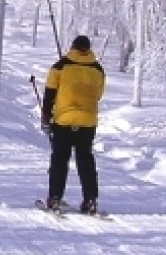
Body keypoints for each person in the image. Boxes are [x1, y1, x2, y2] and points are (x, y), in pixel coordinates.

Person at [41, 34, 106, 215]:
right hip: (88, 121)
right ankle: (90, 200)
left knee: (60, 159)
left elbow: (49, 95)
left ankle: (55, 198)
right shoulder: (98, 69)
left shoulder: (60, 66)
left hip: (64, 119)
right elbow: (99, 94)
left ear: (73, 47)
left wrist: (46, 118)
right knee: (85, 159)